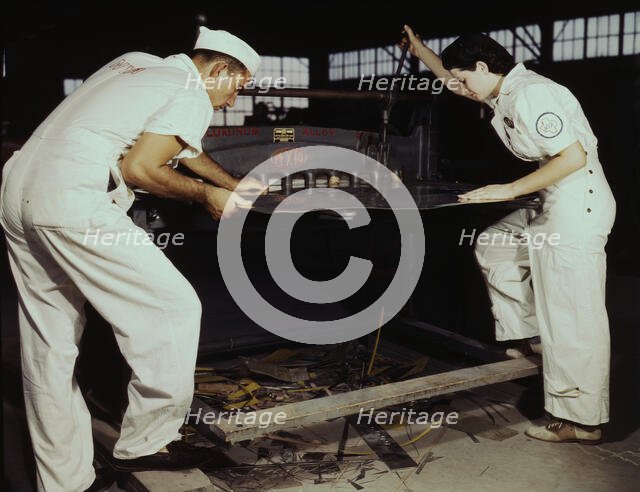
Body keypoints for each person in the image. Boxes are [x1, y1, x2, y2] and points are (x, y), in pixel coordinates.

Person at [0, 26, 261, 491]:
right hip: (74, 201)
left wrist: (232, 186)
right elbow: (140, 167)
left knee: (49, 348)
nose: (232, 102)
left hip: (19, 189)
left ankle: (65, 482)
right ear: (219, 70)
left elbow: (174, 145)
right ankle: (146, 442)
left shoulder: (136, 62)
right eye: (236, 88)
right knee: (173, 308)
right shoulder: (192, 92)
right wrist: (206, 197)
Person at [404, 25, 616, 444]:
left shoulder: (531, 94)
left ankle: (583, 420)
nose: (461, 87)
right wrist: (420, 50)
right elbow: (452, 79)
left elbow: (572, 157)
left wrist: (508, 190)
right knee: (495, 245)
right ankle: (531, 334)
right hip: (550, 199)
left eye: (465, 78)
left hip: (577, 204)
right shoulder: (500, 90)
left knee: (572, 314)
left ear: (482, 66)